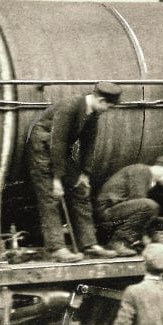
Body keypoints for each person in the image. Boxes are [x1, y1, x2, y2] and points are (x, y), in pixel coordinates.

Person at [27, 81, 123, 263]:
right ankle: (57, 248)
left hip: (60, 152)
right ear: (101, 100)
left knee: (80, 189)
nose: (107, 110)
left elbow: (89, 144)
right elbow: (58, 141)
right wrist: (56, 179)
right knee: (50, 196)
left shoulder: (93, 113)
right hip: (42, 147)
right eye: (108, 106)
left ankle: (89, 244)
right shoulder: (70, 106)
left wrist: (85, 174)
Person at [95, 155, 163, 256]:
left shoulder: (145, 175)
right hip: (106, 215)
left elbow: (138, 213)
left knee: (150, 208)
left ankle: (126, 242)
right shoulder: (142, 171)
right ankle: (119, 242)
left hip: (113, 216)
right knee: (150, 206)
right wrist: (149, 238)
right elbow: (140, 206)